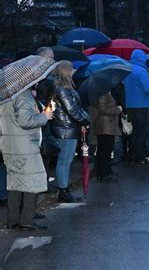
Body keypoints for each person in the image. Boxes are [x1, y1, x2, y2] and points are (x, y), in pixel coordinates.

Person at [0, 89, 53, 230]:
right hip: (25, 146)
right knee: (31, 181)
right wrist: (44, 116)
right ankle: (27, 220)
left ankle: (13, 220)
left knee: (14, 183)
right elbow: (25, 120)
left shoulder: (5, 96)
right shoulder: (23, 96)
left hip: (9, 145)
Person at [51, 61, 90, 203]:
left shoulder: (67, 87)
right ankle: (63, 190)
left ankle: (64, 189)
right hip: (65, 129)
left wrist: (84, 119)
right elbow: (72, 109)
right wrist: (85, 120)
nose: (74, 70)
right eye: (71, 68)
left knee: (66, 160)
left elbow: (75, 107)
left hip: (68, 127)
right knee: (64, 160)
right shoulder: (62, 89)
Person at [122, 49, 149, 165]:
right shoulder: (141, 71)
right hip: (142, 105)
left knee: (133, 132)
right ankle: (140, 157)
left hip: (130, 105)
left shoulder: (127, 69)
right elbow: (148, 88)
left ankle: (132, 156)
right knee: (140, 132)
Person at [92, 92, 122, 182]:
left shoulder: (104, 92)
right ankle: (104, 174)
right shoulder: (103, 94)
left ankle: (105, 171)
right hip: (105, 126)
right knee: (105, 149)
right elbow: (102, 108)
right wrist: (117, 109)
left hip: (107, 125)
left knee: (106, 149)